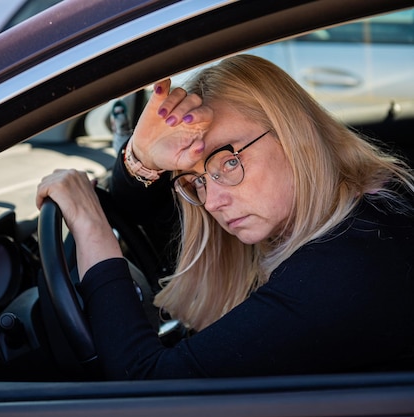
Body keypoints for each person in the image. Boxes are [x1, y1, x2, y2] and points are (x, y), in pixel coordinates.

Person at [35, 54, 414, 379]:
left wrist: (90, 228)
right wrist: (143, 155)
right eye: (196, 180)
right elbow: (137, 209)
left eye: (229, 161)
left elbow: (148, 387)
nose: (212, 201)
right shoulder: (370, 206)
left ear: (293, 133)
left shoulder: (341, 272)